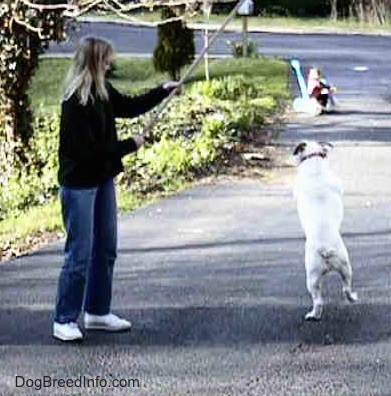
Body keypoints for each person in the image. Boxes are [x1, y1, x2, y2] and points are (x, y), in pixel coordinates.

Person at [53, 36, 179, 342]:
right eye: (106, 60)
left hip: (102, 180)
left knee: (106, 248)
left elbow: (131, 106)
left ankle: (97, 311)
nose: (110, 64)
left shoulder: (103, 91)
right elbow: (91, 152)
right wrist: (129, 146)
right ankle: (64, 319)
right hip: (79, 185)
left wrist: (163, 91)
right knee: (79, 253)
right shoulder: (75, 103)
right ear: (95, 62)